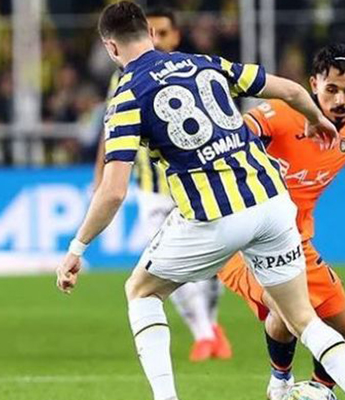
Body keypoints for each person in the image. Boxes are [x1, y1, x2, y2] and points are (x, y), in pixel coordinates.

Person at [56, 3, 345, 400]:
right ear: (150, 34)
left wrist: (77, 248)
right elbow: (293, 91)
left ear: (111, 47)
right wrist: (316, 118)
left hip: (214, 215)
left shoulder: (125, 97)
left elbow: (113, 191)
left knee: (141, 291)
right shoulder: (204, 63)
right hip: (272, 202)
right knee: (304, 320)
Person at [217, 44, 345, 400]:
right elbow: (230, 139)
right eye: (331, 89)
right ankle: (280, 385)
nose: (340, 100)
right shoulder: (280, 115)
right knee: (287, 310)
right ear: (313, 84)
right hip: (243, 240)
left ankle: (317, 391)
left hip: (296, 244)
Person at [92, 6, 232, 362]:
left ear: (173, 35)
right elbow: (110, 133)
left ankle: (211, 325)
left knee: (212, 266)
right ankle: (203, 334)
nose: (157, 37)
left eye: (163, 32)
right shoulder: (122, 80)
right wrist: (101, 175)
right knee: (166, 264)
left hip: (198, 185)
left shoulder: (190, 70)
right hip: (152, 189)